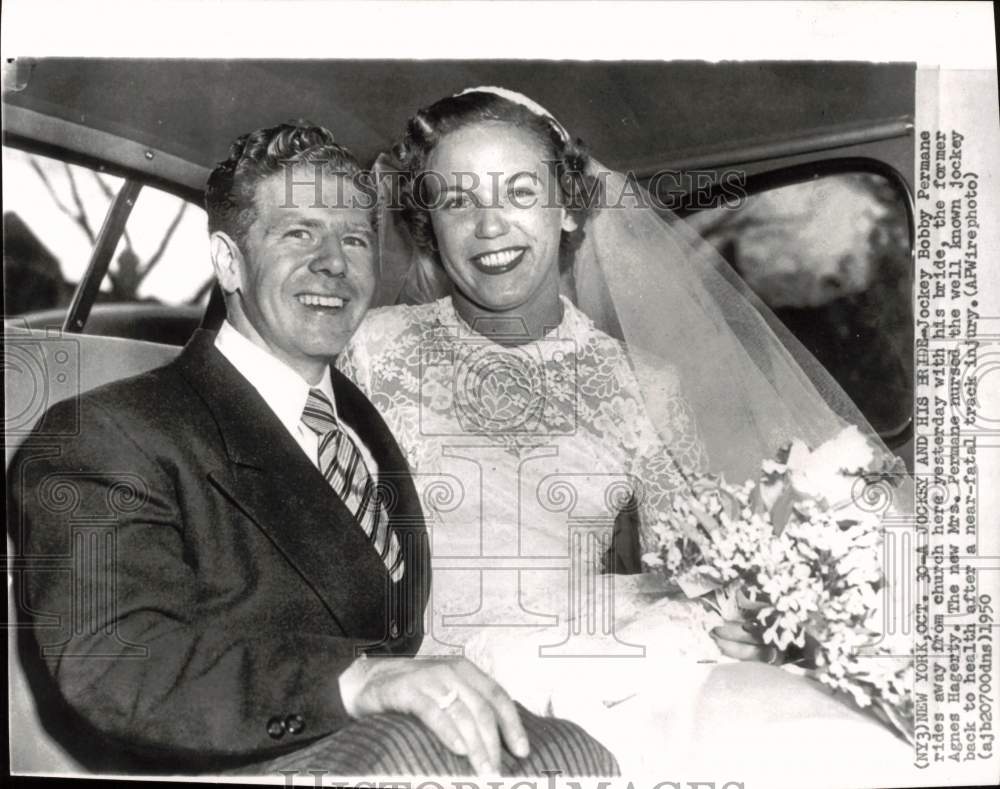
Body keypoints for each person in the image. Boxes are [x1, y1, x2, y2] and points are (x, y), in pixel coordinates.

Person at [338, 89, 918, 782]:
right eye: (458, 200)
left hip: (595, 647)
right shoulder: (374, 345)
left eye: (520, 191)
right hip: (425, 662)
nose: (490, 225)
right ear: (429, 225)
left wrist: (740, 620)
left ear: (571, 206)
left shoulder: (644, 381)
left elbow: (696, 564)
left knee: (820, 738)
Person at [6, 122, 619, 778]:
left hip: (395, 744)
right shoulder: (109, 434)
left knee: (578, 750)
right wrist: (351, 683)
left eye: (354, 238)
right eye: (298, 233)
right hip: (243, 760)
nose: (333, 262)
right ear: (228, 260)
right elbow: (116, 660)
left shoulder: (363, 422)